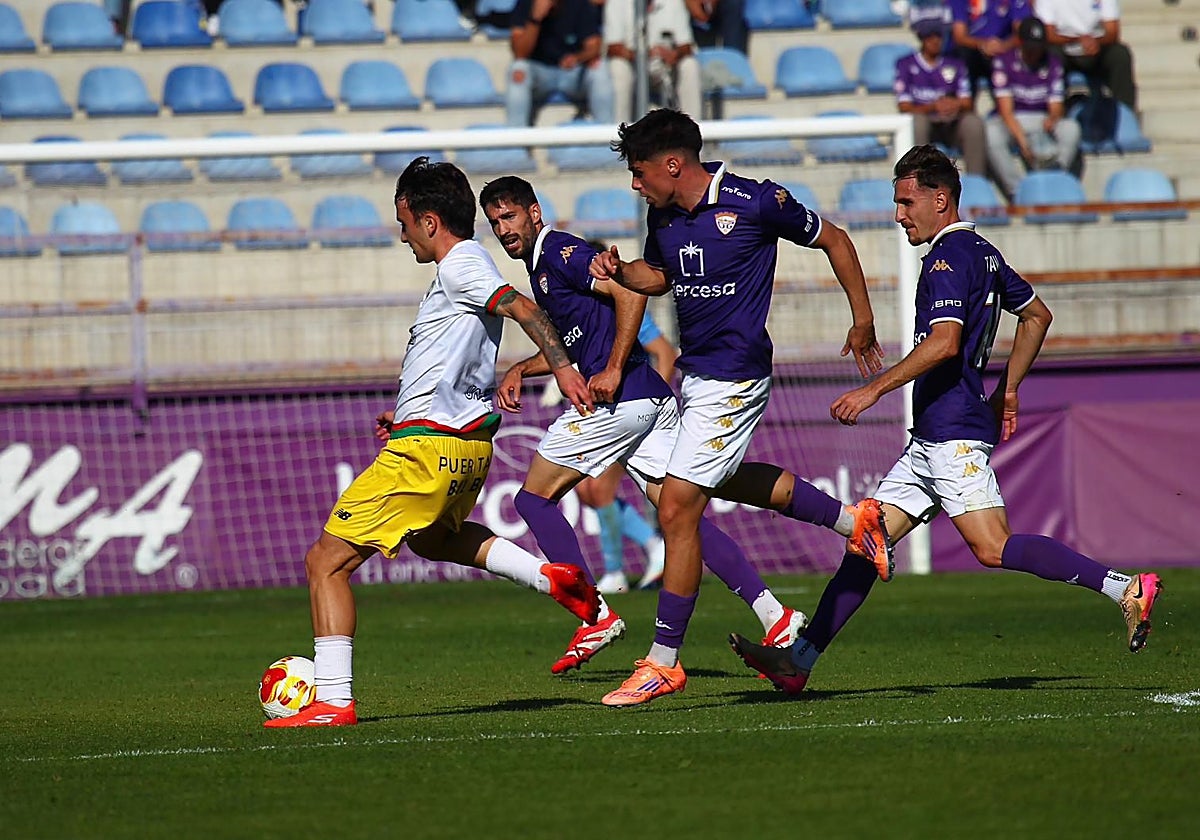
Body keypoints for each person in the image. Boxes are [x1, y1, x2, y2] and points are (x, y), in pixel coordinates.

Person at [729, 144, 1164, 695]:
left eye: (907, 202)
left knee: (992, 547)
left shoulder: (946, 259)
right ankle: (800, 660)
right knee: (865, 542)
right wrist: (1008, 389)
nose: (898, 215)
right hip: (933, 437)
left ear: (941, 200)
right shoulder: (983, 252)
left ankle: (1124, 587)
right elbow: (1036, 315)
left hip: (952, 436)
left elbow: (945, 343)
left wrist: (872, 391)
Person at [265, 158, 600, 728]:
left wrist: (564, 370)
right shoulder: (466, 268)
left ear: (428, 221)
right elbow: (455, 358)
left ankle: (334, 700)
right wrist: (407, 414)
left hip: (427, 452)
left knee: (325, 562)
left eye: (404, 224)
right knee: (433, 539)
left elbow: (525, 308)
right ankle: (546, 577)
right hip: (461, 445)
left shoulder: (461, 265)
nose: (403, 237)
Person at [589, 108, 892, 707]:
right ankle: (854, 521)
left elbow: (834, 238)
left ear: (672, 164)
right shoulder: (663, 214)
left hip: (736, 377)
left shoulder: (756, 201)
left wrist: (862, 319)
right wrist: (621, 271)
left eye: (639, 172)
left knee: (676, 508)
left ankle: (663, 662)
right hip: (697, 377)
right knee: (717, 483)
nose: (634, 183)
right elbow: (660, 274)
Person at [480, 175, 811, 675]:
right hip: (650, 399)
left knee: (532, 499)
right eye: (495, 222)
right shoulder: (540, 266)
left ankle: (594, 614)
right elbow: (573, 344)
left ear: (534, 213)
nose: (504, 228)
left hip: (620, 400)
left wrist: (613, 367)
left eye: (510, 216)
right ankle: (774, 614)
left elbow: (629, 292)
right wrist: (522, 369)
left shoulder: (559, 251)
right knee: (681, 518)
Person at [575, 308, 676, 594]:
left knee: (599, 489)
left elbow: (666, 354)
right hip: (600, 415)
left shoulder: (626, 309)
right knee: (585, 491)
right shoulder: (585, 308)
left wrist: (651, 401)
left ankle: (615, 572)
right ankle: (654, 546)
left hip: (629, 413)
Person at [985, 17, 1082, 203]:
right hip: (1013, 120)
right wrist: (1023, 142)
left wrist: (1053, 119)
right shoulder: (1003, 62)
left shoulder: (1053, 63)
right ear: (1020, 43)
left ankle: (1056, 178)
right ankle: (1017, 191)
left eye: (1038, 47)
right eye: (1030, 47)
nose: (1034, 52)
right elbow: (1006, 110)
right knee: (991, 133)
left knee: (1071, 128)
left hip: (1041, 118)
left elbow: (1056, 106)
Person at [894, 19, 987, 177]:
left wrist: (954, 104)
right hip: (926, 120)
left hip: (951, 122)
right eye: (930, 36)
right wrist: (932, 107)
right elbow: (904, 106)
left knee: (973, 123)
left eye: (938, 36)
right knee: (918, 123)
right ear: (921, 38)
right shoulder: (906, 65)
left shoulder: (955, 64)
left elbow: (967, 101)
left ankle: (977, 179)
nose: (935, 41)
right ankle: (920, 176)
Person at [505, 0, 615, 127]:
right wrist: (535, 19)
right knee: (518, 69)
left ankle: (605, 132)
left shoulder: (579, 4)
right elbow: (519, 53)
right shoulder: (525, 4)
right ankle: (517, 134)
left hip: (572, 73)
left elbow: (594, 46)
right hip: (539, 74)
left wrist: (577, 58)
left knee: (600, 68)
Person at [605, 0, 703, 123]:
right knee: (618, 67)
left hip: (664, 66)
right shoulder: (616, 3)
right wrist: (644, 54)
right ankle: (619, 127)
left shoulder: (673, 2)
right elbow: (613, 47)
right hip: (633, 64)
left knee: (689, 65)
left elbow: (687, 45)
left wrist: (674, 54)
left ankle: (692, 126)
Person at [1038, 0, 1137, 113]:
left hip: (1097, 47)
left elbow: (1112, 31)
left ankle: (1125, 112)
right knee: (1052, 55)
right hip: (1064, 47)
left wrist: (1094, 43)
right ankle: (1054, 111)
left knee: (1120, 54)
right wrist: (1077, 40)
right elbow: (1048, 33)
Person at [948, 0, 1032, 100]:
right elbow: (959, 36)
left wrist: (1003, 46)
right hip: (972, 51)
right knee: (962, 58)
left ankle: (1007, 104)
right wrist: (984, 45)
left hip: (1003, 49)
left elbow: (1022, 31)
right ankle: (965, 102)